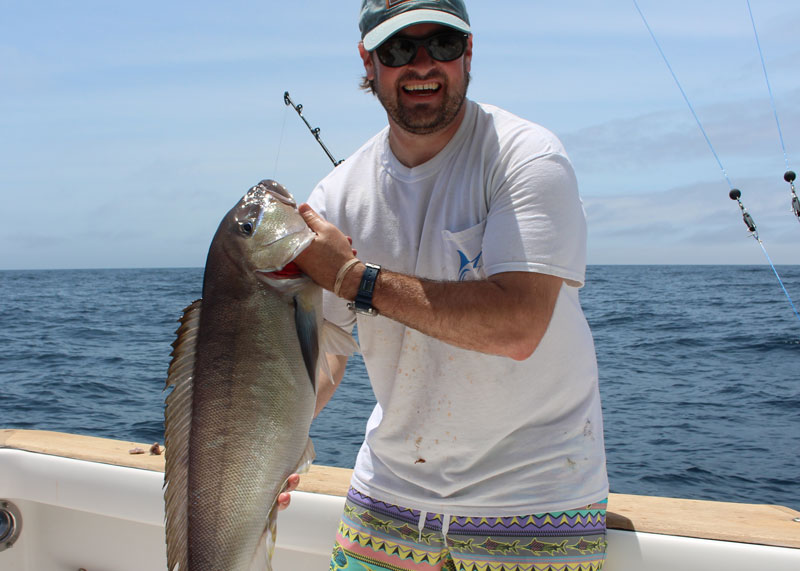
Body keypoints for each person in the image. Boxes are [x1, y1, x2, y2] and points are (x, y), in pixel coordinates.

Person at [290, 1, 609, 569]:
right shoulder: (335, 196)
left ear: (467, 52)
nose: (421, 64)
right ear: (368, 62)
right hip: (387, 498)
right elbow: (327, 356)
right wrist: (267, 447)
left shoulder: (525, 157)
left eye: (441, 43)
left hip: (534, 502)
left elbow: (517, 327)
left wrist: (351, 277)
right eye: (397, 49)